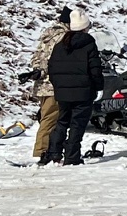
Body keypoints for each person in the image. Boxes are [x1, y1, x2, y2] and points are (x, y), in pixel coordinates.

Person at [43, 9, 102, 166]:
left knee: (62, 122)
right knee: (77, 124)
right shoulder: (89, 43)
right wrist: (98, 86)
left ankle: (54, 153)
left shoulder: (60, 44)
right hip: (83, 93)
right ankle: (72, 156)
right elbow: (95, 69)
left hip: (63, 93)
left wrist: (59, 86)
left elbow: (52, 68)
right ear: (85, 27)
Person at [27, 7, 70, 161]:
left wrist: (39, 71)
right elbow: (55, 61)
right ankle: (42, 151)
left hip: (42, 85)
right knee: (50, 119)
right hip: (53, 85)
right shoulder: (63, 37)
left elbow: (37, 57)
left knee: (48, 117)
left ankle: (50, 149)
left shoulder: (49, 34)